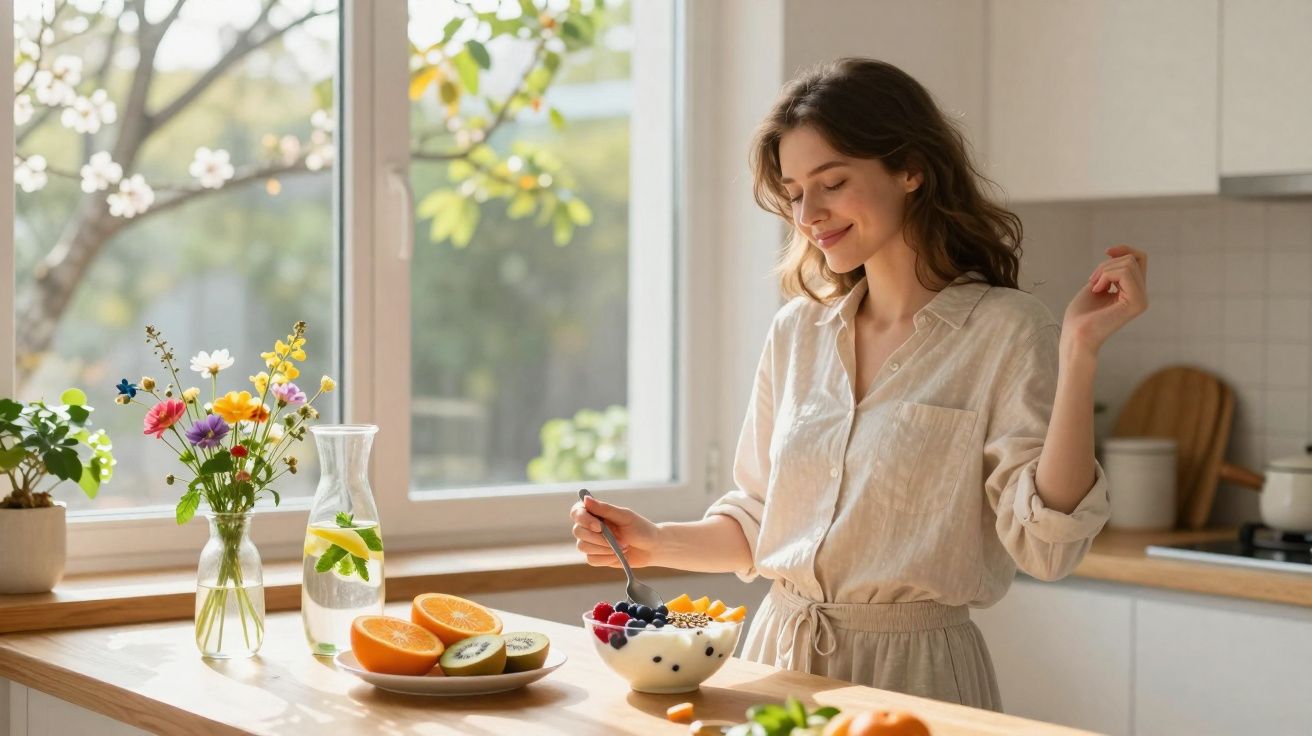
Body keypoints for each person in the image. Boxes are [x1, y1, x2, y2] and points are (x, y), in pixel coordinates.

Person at [569, 57, 1147, 711]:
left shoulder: (1006, 330)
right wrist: (651, 540)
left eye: (833, 182)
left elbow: (1047, 548)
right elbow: (761, 519)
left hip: (916, 680)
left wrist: (1079, 352)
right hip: (779, 664)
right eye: (794, 193)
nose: (809, 214)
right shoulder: (797, 332)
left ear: (910, 168)